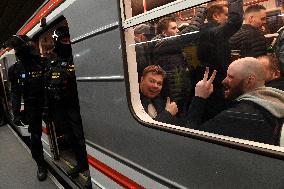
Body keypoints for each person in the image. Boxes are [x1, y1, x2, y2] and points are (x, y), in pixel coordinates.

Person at [186, 57, 284, 145]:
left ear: (249, 81)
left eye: (231, 77)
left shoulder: (239, 115)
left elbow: (191, 141)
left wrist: (199, 97)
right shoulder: (274, 99)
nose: (223, 81)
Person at [44, 26, 89, 178]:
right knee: (70, 137)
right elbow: (48, 85)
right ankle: (81, 164)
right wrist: (47, 109)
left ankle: (92, 170)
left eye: (69, 39)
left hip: (77, 106)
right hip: (60, 107)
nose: (67, 42)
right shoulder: (51, 62)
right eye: (64, 40)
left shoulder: (80, 57)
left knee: (81, 138)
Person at [6, 35, 47, 181]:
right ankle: (41, 165)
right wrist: (15, 113)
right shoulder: (14, 70)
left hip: (50, 103)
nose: (19, 50)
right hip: (32, 106)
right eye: (16, 48)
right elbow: (15, 92)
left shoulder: (43, 62)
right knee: (35, 138)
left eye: (21, 46)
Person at [196, 0, 243, 122]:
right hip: (216, 82)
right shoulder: (213, 32)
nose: (227, 19)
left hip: (209, 81)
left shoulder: (205, 32)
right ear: (216, 16)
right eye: (226, 15)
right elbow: (235, 21)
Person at [8, 61, 25, 125]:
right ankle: (25, 117)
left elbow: (10, 79)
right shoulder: (25, 66)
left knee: (16, 102)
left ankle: (17, 118)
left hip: (15, 87)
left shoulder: (11, 68)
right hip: (25, 87)